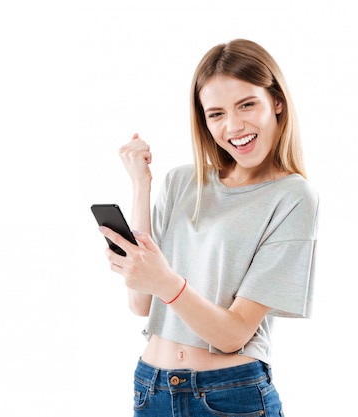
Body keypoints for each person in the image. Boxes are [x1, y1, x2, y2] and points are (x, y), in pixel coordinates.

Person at [99, 38, 319, 417]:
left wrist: (166, 281)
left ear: (277, 102)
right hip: (150, 390)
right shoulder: (181, 182)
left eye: (247, 104)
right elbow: (140, 303)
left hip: (229, 397)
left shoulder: (292, 196)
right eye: (215, 114)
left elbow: (233, 335)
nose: (234, 126)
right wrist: (141, 186)